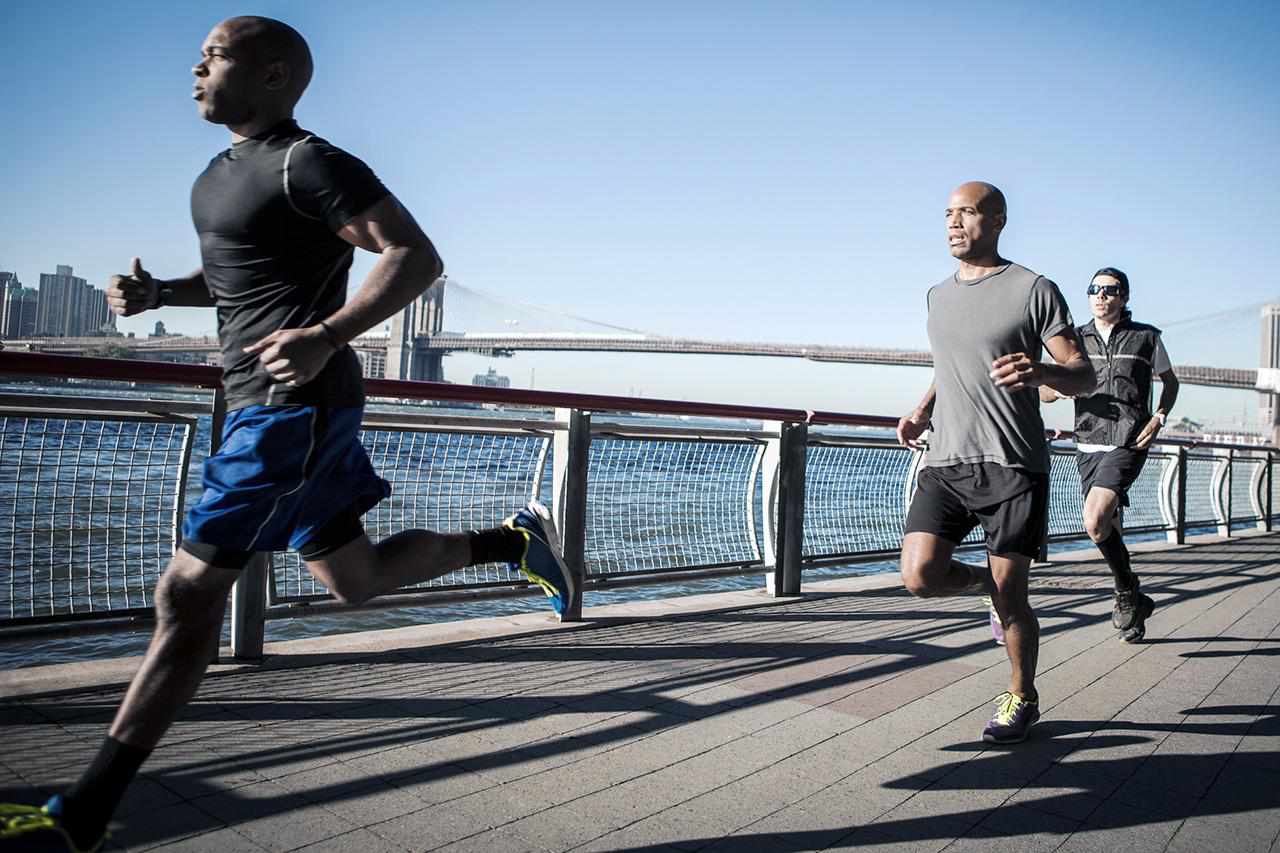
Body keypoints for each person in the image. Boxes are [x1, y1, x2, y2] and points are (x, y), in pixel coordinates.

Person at [0, 17, 573, 853]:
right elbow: (240, 272)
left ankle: (86, 808)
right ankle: (513, 541)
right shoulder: (215, 175)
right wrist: (164, 289)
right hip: (251, 404)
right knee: (354, 579)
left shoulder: (313, 162)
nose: (194, 66)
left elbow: (414, 254)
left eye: (215, 55)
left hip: (291, 411)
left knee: (188, 595)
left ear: (273, 74)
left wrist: (330, 335)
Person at [896, 181, 1096, 744]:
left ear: (999, 220)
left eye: (967, 212)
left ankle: (1022, 695)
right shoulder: (937, 294)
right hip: (947, 458)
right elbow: (952, 364)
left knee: (1015, 599)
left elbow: (1084, 373)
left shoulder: (1034, 289)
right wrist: (920, 411)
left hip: (1013, 463)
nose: (954, 223)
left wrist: (1042, 374)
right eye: (947, 214)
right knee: (919, 576)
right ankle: (986, 586)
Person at [1040, 267, 1178, 642]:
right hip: (1086, 442)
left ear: (1125, 297)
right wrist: (1060, 389)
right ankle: (1133, 603)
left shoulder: (1146, 338)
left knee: (1093, 518)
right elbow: (1044, 391)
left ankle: (1123, 591)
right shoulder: (1073, 339)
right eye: (1094, 289)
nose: (1101, 296)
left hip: (1129, 440)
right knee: (1106, 527)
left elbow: (1170, 382)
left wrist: (1160, 416)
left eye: (1110, 290)